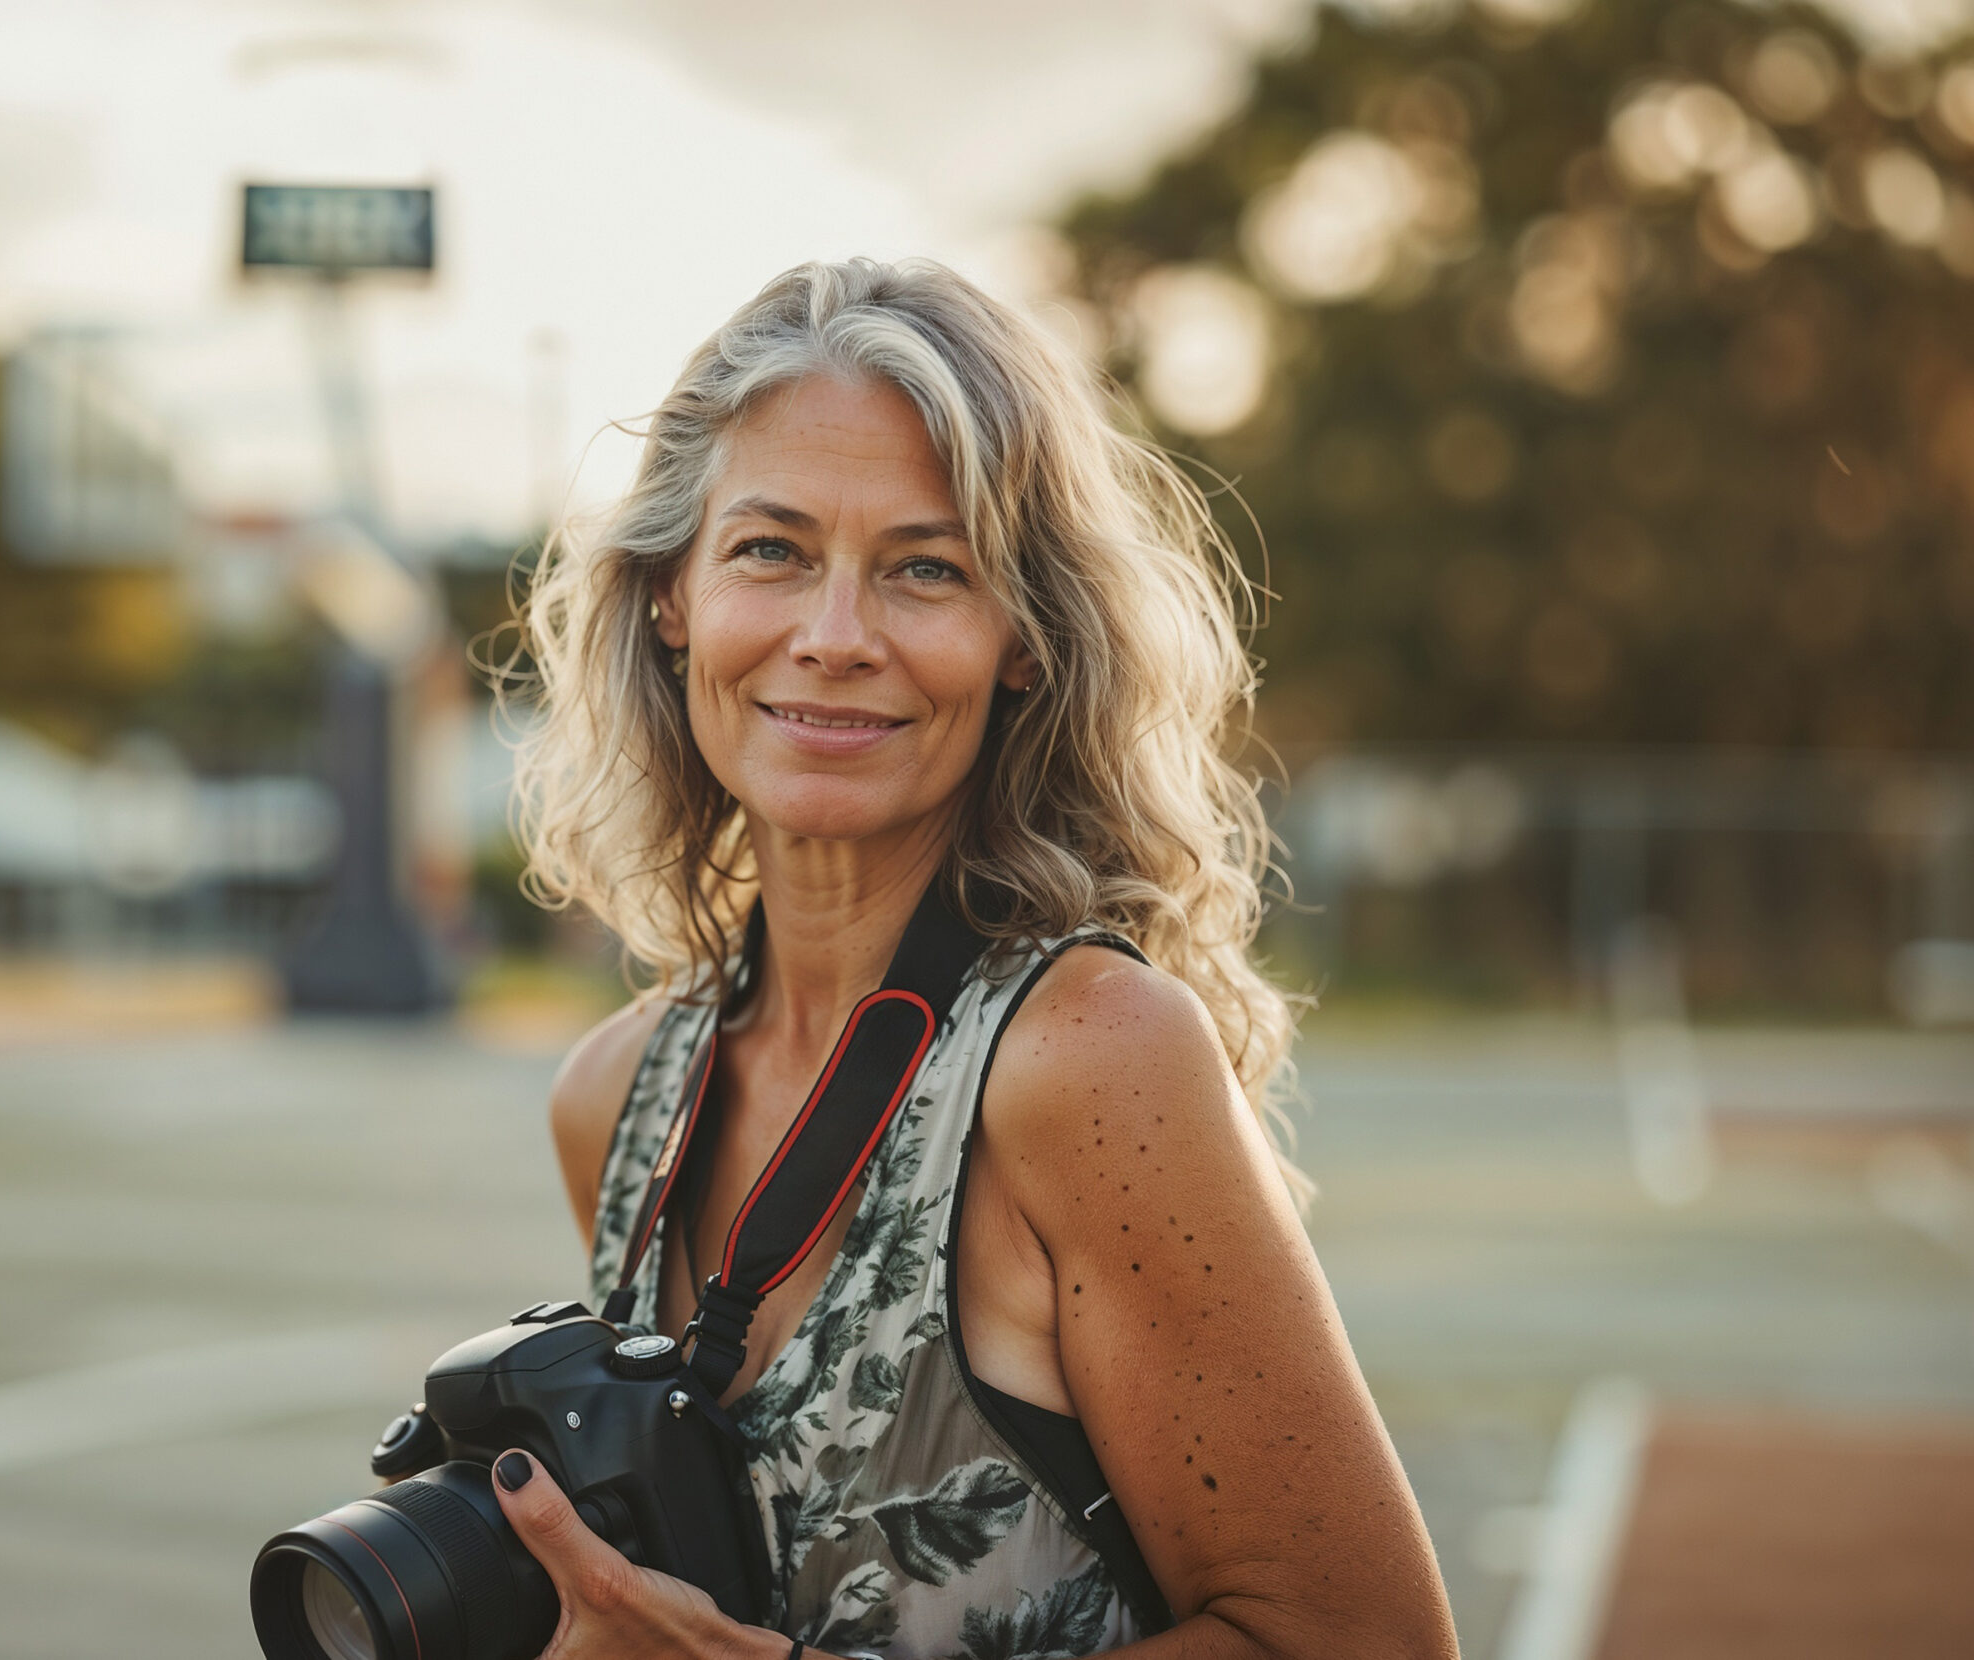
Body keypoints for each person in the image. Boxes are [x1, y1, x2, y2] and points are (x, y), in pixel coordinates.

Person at [495, 259, 1457, 1660]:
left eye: (926, 570)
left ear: (1023, 643)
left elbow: (1365, 1645)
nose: (834, 639)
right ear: (670, 598)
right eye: (770, 550)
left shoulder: (1086, 1058)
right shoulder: (618, 1095)